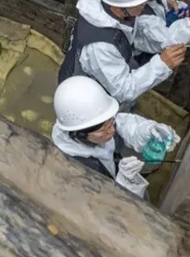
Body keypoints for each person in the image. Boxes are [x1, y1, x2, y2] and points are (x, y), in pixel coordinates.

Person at [58, 0, 186, 105]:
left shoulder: (110, 4)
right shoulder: (101, 47)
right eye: (140, 3)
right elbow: (123, 90)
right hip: (84, 95)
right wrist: (162, 64)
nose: (144, 6)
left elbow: (134, 33)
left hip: (105, 75)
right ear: (118, 7)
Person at [52, 76, 180, 198]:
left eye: (111, 122)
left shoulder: (92, 125)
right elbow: (103, 206)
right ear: (79, 134)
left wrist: (148, 130)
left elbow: (123, 124)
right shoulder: (75, 169)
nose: (112, 130)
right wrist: (124, 184)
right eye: (104, 129)